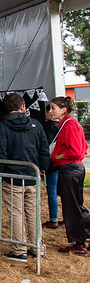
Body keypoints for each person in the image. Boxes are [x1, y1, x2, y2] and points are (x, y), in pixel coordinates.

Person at [0, 93, 49, 262]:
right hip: (32, 176)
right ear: (23, 106)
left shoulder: (2, 128)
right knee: (33, 213)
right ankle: (37, 247)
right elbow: (44, 151)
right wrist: (42, 170)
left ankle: (19, 250)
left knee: (16, 214)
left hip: (13, 178)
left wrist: (1, 175)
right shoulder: (36, 125)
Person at [48, 96, 90, 256]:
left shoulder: (70, 125)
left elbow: (78, 150)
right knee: (76, 206)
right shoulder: (68, 125)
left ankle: (79, 243)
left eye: (53, 108)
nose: (50, 111)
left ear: (64, 110)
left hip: (70, 169)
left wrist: (59, 156)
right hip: (72, 168)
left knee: (72, 208)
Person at [42, 106, 61, 229]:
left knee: (52, 192)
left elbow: (44, 145)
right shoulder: (63, 126)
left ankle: (54, 219)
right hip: (63, 163)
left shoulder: (47, 127)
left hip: (51, 164)